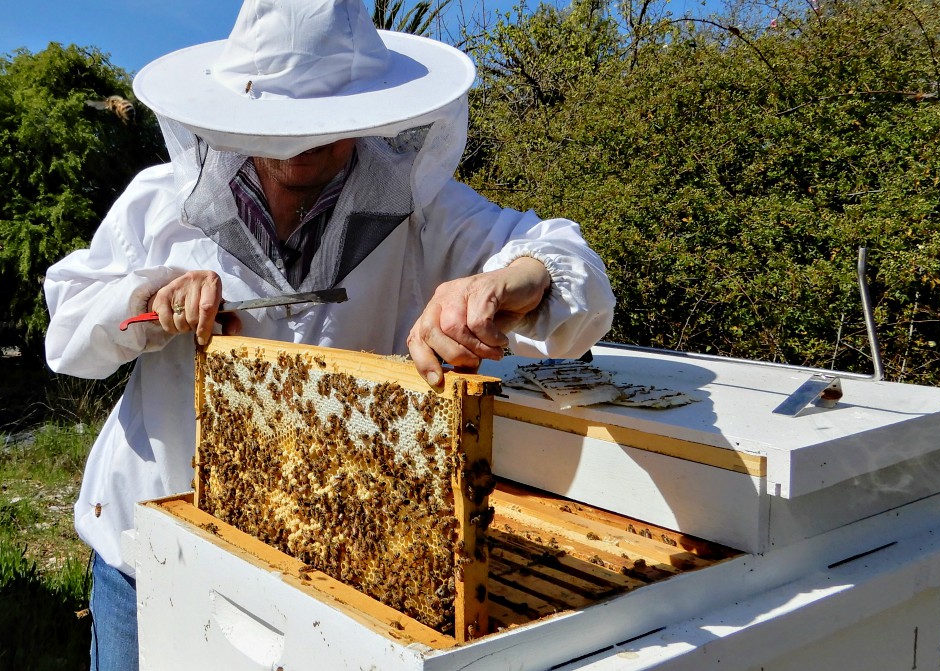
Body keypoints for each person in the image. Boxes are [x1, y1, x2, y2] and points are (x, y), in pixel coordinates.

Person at [44, 0, 615, 668]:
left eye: (322, 129)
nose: (298, 152)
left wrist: (514, 279)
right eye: (278, 130)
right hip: (146, 550)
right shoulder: (161, 201)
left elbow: (568, 265)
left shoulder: (421, 208)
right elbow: (68, 331)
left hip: (324, 567)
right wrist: (147, 300)